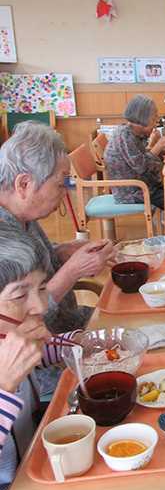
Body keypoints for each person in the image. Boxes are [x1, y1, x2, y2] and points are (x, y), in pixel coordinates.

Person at [0, 122, 113, 334]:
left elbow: (29, 268)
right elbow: (20, 323)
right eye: (60, 183)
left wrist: (61, 252)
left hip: (69, 321)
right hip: (46, 348)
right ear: (24, 184)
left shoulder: (23, 216)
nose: (63, 193)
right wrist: (73, 271)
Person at [0, 222, 78, 490]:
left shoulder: (7, 338)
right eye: (19, 296)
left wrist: (80, 342)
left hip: (38, 464)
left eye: (42, 288)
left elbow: (35, 357)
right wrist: (5, 384)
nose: (40, 307)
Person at [103, 94, 165, 238]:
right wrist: (157, 147)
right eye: (153, 117)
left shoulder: (133, 134)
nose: (156, 120)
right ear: (141, 118)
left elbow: (139, 157)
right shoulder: (124, 135)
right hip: (132, 191)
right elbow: (139, 165)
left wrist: (154, 146)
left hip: (142, 185)